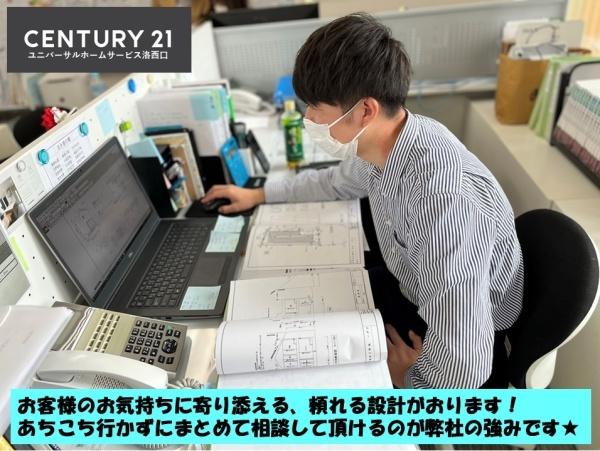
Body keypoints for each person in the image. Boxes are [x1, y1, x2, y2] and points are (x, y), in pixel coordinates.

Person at [202, 13, 523, 388]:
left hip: (465, 335)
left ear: (365, 111)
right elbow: (334, 183)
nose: (308, 118)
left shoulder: (442, 200)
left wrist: (407, 379)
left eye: (316, 107)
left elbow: (465, 365)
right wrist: (259, 194)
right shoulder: (385, 143)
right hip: (414, 285)